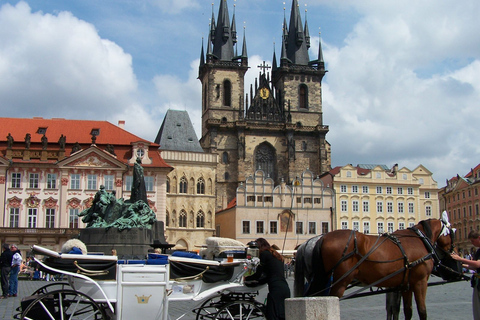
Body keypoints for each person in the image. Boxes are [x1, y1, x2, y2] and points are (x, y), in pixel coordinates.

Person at [245, 238, 290, 320]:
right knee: (281, 316)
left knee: (271, 316)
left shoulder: (264, 254)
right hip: (284, 289)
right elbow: (269, 276)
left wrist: (246, 278)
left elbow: (258, 274)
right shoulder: (275, 255)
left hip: (275, 290)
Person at [451, 230, 480, 320]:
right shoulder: (478, 251)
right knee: (477, 309)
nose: (472, 243)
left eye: (473, 241)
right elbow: (475, 267)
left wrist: (461, 259)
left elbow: (478, 264)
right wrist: (461, 265)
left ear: (479, 238)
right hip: (477, 283)